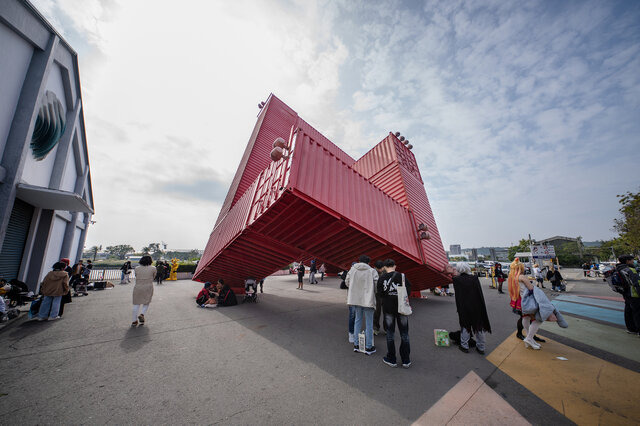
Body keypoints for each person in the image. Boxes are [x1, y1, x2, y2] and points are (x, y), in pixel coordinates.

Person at [377, 258, 411, 368]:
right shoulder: (402, 276)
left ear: (385, 267)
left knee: (390, 334)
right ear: (395, 266)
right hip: (402, 308)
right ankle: (406, 360)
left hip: (388, 308)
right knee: (404, 334)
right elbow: (408, 291)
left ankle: (392, 358)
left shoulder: (382, 278)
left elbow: (380, 293)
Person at [452, 262, 492, 354]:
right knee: (479, 327)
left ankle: (464, 346)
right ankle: (481, 347)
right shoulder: (474, 278)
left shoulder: (457, 280)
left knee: (465, 326)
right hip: (476, 306)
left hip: (464, 307)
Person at [346, 255, 378, 355]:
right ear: (368, 263)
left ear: (359, 261)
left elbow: (347, 282)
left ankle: (356, 345)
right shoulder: (372, 271)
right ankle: (369, 347)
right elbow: (376, 285)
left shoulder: (352, 270)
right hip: (368, 300)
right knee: (369, 323)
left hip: (356, 299)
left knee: (357, 321)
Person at [508, 259, 545, 344]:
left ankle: (524, 334)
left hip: (517, 299)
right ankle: (530, 336)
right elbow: (531, 288)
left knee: (524, 317)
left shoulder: (512, 277)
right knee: (532, 318)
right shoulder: (522, 276)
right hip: (526, 300)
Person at [616, 255, 640, 335]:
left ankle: (631, 329)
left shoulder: (618, 269)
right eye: (632, 260)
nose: (633, 261)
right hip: (634, 294)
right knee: (637, 312)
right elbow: (636, 283)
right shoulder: (630, 270)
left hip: (626, 293)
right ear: (627, 261)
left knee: (628, 311)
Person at [131, 256, 156, 327]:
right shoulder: (153, 268)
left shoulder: (137, 268)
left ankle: (134, 321)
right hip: (148, 287)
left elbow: (136, 276)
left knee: (136, 304)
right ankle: (142, 314)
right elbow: (154, 277)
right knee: (146, 302)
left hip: (138, 287)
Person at [373, 260, 386, 335]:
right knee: (376, 312)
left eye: (381, 269)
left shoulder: (386, 271)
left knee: (386, 312)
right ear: (375, 268)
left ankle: (387, 328)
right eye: (379, 269)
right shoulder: (372, 272)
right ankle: (376, 328)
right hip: (376, 294)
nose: (380, 270)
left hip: (385, 295)